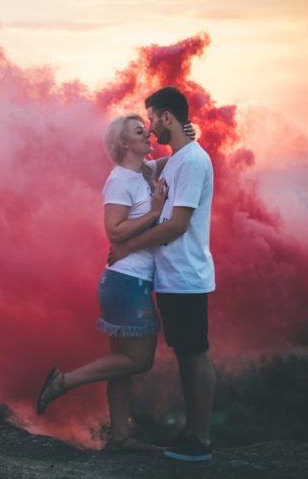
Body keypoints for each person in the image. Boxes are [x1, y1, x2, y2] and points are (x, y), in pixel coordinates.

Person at [35, 114, 194, 452]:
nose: (148, 134)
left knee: (121, 365)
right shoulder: (120, 180)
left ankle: (120, 436)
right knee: (140, 361)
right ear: (124, 144)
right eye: (140, 132)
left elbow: (175, 158)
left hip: (127, 281)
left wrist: (184, 136)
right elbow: (114, 231)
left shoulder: (145, 171)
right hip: (127, 283)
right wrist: (154, 212)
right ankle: (63, 381)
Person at [108, 87, 216, 462]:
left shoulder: (190, 162)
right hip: (173, 277)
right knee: (187, 354)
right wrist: (127, 147)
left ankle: (199, 440)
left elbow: (177, 226)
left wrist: (127, 246)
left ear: (167, 117)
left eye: (152, 118)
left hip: (185, 276)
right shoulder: (178, 159)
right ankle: (193, 433)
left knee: (195, 354)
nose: (150, 128)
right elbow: (139, 167)